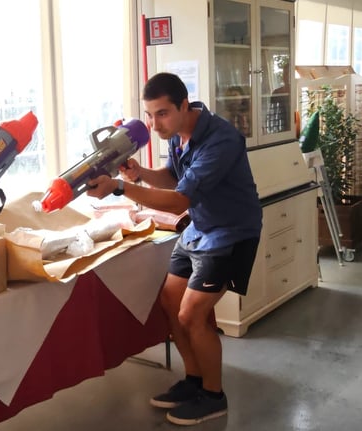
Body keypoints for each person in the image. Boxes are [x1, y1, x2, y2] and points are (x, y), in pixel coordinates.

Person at [86, 72, 262, 426]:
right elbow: (173, 177)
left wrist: (121, 187)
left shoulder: (221, 140)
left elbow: (179, 200)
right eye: (149, 115)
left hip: (231, 233)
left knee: (191, 316)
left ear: (184, 105)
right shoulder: (181, 134)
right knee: (170, 302)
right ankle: (194, 381)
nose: (154, 124)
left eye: (162, 114)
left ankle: (214, 396)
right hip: (200, 228)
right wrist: (139, 174)